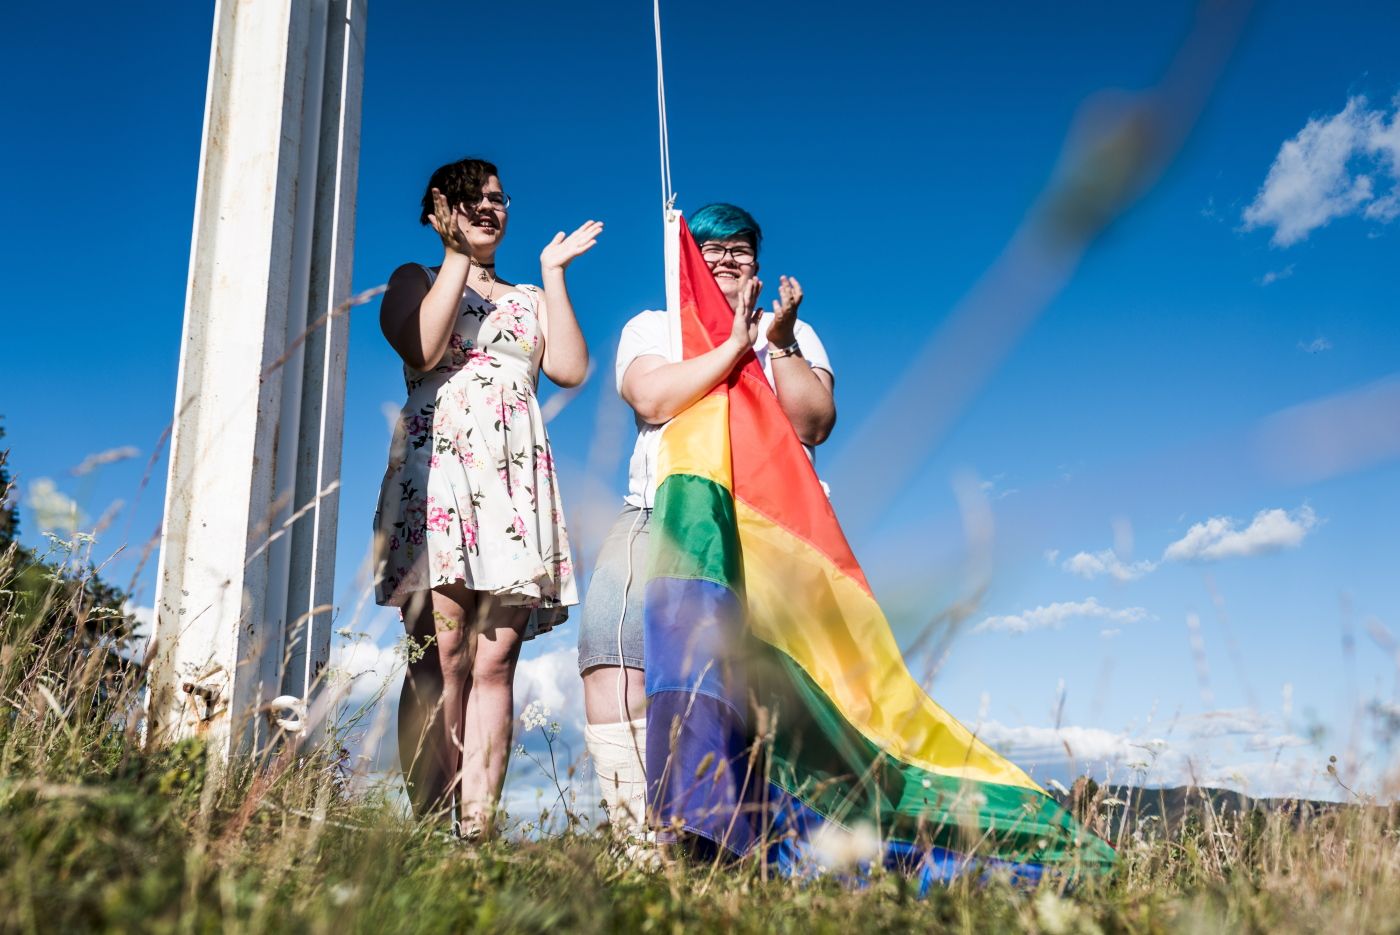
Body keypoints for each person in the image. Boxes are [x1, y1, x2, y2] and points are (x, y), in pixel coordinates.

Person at [578, 202, 835, 846]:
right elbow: (653, 398)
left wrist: (774, 344)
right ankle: (642, 846)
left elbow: (814, 424)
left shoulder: (791, 332)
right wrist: (731, 347)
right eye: (711, 248)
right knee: (612, 660)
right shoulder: (652, 326)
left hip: (767, 531)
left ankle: (740, 847)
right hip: (657, 514)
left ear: (759, 260)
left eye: (740, 249)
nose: (725, 260)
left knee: (762, 686)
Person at [372, 156, 601, 837]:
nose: (488, 208)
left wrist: (553, 275)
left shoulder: (526, 295)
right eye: (473, 199)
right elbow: (422, 343)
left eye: (498, 198)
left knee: (495, 658)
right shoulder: (414, 278)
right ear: (442, 207)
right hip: (438, 473)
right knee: (439, 657)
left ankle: (476, 831)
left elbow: (568, 368)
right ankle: (428, 823)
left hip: (512, 482)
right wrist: (452, 256)